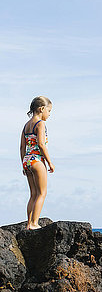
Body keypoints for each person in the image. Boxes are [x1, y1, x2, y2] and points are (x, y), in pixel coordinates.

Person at [20, 96, 55, 230]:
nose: (49, 114)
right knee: (42, 193)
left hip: (27, 160)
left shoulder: (26, 125)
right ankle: (34, 223)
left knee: (33, 194)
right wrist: (49, 162)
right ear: (42, 109)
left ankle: (29, 223)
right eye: (49, 111)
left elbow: (22, 147)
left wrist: (23, 162)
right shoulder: (40, 124)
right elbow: (41, 144)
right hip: (37, 160)